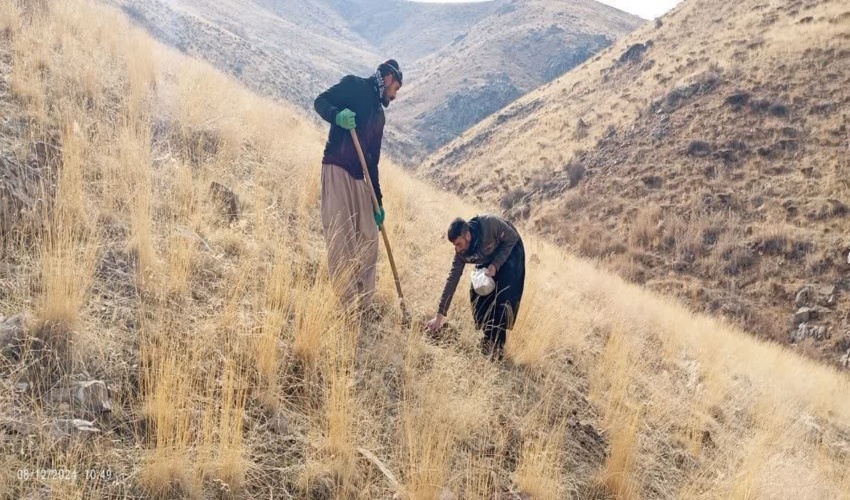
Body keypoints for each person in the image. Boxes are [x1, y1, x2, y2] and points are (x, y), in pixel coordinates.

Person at [313, 60, 403, 314]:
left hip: (358, 178)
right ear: (387, 78)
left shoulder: (379, 115)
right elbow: (320, 101)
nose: (395, 95)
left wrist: (378, 202)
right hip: (336, 167)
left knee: (368, 236)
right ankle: (345, 304)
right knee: (340, 236)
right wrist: (337, 116)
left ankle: (363, 301)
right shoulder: (353, 85)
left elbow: (372, 161)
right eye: (395, 88)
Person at [425, 214, 526, 360]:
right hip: (488, 254)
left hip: (510, 248)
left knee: (502, 298)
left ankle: (496, 348)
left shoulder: (489, 225)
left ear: (467, 235)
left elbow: (511, 238)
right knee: (478, 294)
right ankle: (487, 338)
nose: (457, 249)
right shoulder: (461, 253)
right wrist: (439, 316)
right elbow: (452, 280)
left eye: (459, 244)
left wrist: (496, 265)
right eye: (454, 246)